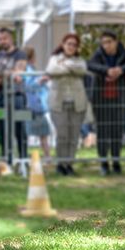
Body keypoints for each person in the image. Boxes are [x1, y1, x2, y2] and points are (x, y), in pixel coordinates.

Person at [87, 30, 125, 176]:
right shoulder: (98, 53)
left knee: (117, 131)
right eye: (103, 43)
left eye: (109, 42)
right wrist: (107, 71)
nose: (106, 45)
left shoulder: (123, 53)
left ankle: (116, 161)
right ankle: (103, 163)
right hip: (101, 99)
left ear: (115, 41)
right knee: (102, 131)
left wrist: (120, 70)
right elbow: (90, 65)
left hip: (119, 98)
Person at [46, 34, 87, 176]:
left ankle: (69, 164)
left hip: (77, 103)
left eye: (74, 45)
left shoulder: (79, 60)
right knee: (62, 135)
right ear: (63, 44)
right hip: (59, 103)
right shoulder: (54, 59)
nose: (71, 47)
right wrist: (70, 68)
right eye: (69, 43)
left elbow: (82, 69)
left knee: (74, 136)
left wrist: (65, 65)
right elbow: (51, 70)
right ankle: (61, 163)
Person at [0, 28, 28, 169]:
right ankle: (7, 160)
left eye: (4, 38)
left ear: (11, 38)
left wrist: (0, 74)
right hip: (0, 97)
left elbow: (18, 74)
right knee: (3, 130)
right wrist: (8, 76)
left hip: (17, 96)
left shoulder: (20, 54)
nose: (1, 41)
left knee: (20, 129)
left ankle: (23, 161)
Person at [23, 47, 51, 163]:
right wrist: (41, 80)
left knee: (41, 133)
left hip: (36, 106)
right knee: (40, 133)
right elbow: (29, 86)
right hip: (32, 106)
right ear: (31, 57)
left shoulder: (30, 68)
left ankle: (46, 156)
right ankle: (46, 156)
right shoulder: (28, 69)